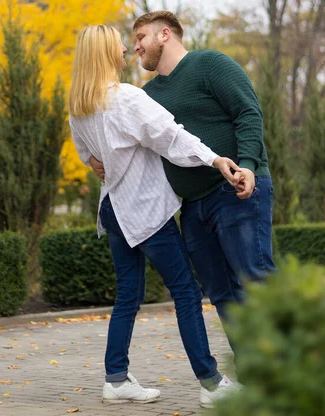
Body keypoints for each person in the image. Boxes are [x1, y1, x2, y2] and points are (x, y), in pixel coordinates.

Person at [69, 25, 242, 409]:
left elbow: (90, 159)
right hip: (143, 209)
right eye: (118, 43)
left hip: (112, 209)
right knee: (185, 291)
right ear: (104, 53)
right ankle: (212, 384)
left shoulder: (78, 107)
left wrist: (105, 162)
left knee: (128, 294)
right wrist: (214, 158)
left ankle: (115, 379)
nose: (124, 48)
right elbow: (172, 137)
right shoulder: (126, 99)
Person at [91, 11, 276, 325]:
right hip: (192, 208)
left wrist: (247, 166)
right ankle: (251, 369)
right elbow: (131, 147)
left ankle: (291, 368)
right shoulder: (147, 96)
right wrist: (100, 159)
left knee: (256, 282)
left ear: (164, 34)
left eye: (140, 38)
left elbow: (248, 112)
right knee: (221, 293)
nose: (135, 47)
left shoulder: (210, 64)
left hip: (235, 190)